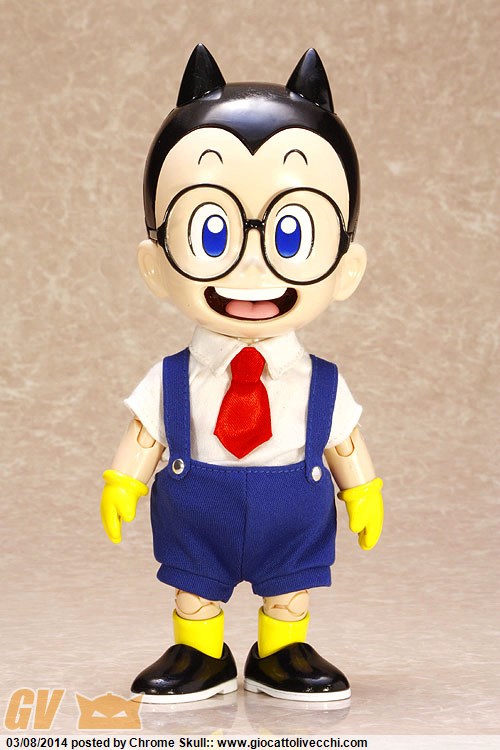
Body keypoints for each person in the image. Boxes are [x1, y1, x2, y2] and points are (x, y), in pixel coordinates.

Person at [100, 45, 384, 703]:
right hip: (199, 510)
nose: (252, 266)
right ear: (156, 262)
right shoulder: (171, 378)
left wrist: (363, 491)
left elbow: (343, 442)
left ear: (345, 267)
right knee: (194, 588)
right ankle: (199, 652)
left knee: (291, 588)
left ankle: (282, 650)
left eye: (289, 235)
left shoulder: (321, 383)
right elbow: (146, 435)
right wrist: (124, 481)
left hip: (293, 515)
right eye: (213, 232)